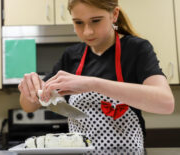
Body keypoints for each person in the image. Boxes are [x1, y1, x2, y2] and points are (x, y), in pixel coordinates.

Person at [18, 0, 175, 152]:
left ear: (114, 14)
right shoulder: (71, 56)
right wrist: (31, 89)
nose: (87, 31)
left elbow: (166, 103)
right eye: (78, 22)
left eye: (96, 21)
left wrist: (92, 84)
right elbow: (29, 106)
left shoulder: (136, 49)